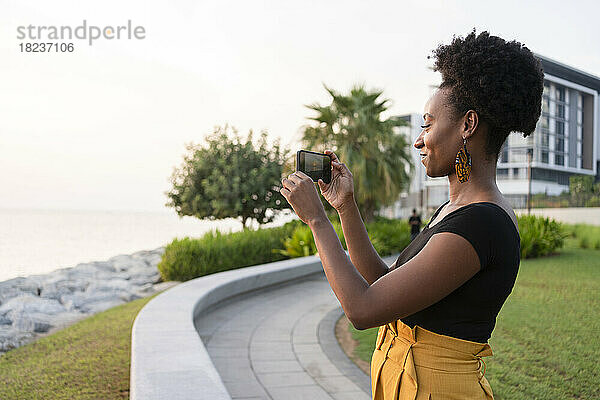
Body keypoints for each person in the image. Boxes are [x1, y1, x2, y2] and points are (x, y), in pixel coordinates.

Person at [280, 28, 541, 399]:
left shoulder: (483, 222)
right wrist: (345, 207)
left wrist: (317, 221)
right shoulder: (455, 210)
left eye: (428, 123)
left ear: (468, 125)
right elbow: (383, 284)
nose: (419, 139)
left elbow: (363, 309)